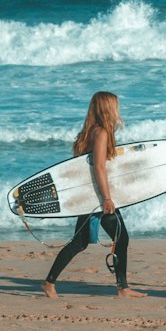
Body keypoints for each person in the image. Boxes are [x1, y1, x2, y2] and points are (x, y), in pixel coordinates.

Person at [41, 91, 143, 300]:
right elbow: (98, 167)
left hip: (90, 196)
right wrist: (106, 199)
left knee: (80, 242)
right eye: (115, 106)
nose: (118, 111)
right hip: (97, 198)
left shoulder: (90, 132)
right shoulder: (102, 133)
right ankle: (122, 288)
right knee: (120, 238)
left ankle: (49, 282)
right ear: (107, 109)